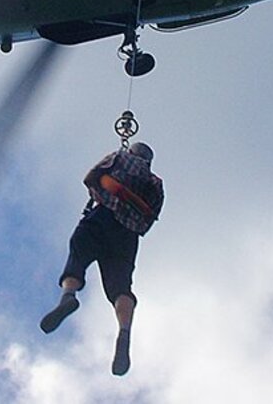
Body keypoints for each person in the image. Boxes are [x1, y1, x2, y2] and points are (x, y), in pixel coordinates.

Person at [40, 141, 164, 376]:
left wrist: (104, 194)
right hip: (128, 236)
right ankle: (124, 330)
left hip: (103, 217)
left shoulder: (119, 158)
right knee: (120, 286)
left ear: (131, 152)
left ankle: (68, 296)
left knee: (79, 252)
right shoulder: (156, 183)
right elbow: (150, 219)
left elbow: (91, 177)